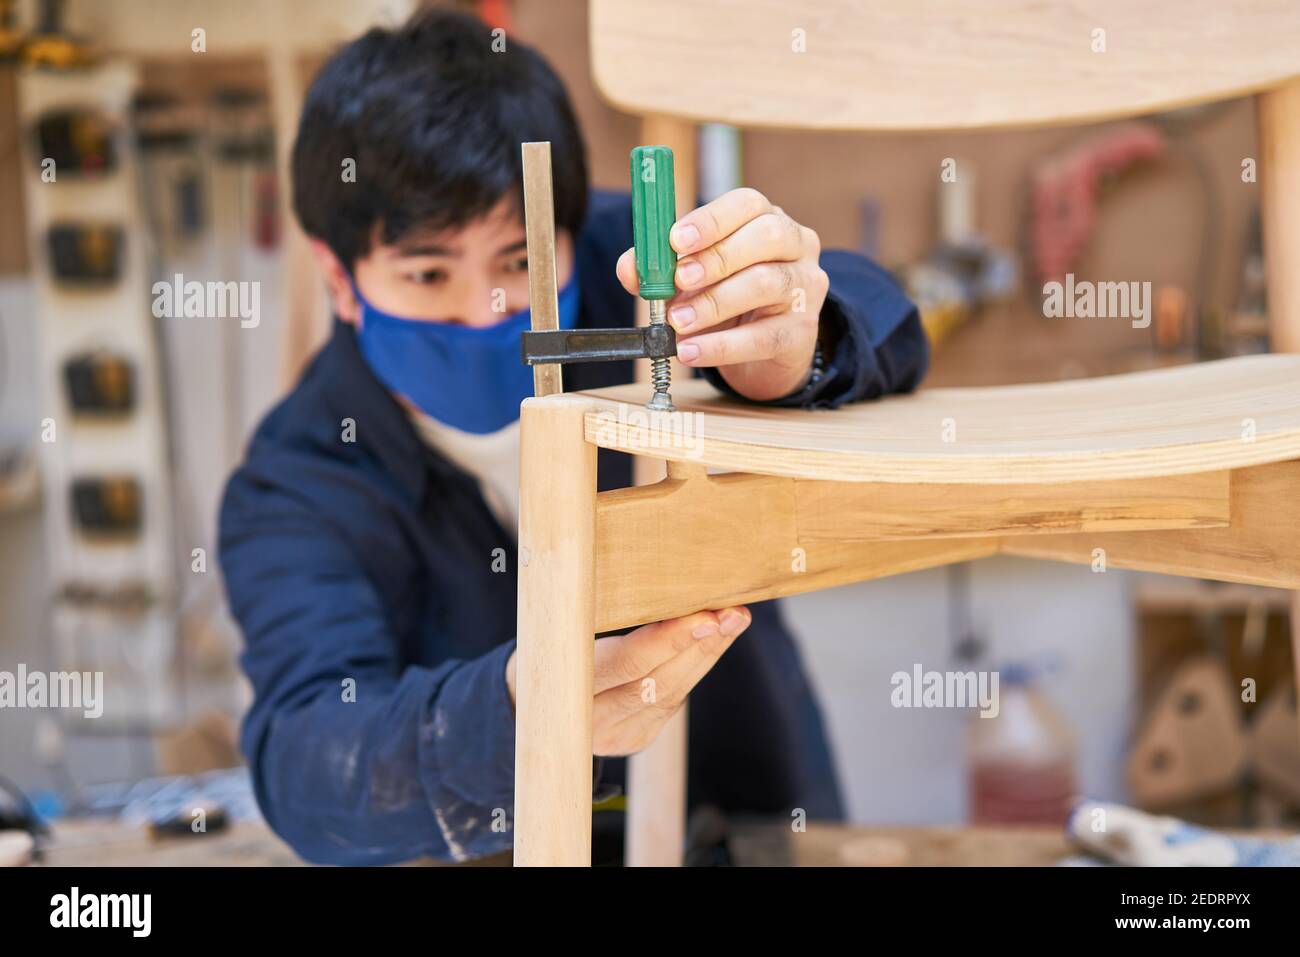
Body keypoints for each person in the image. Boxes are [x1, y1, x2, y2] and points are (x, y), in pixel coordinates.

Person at [219, 8, 928, 865]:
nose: (485, 308)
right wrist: (527, 707)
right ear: (339, 276)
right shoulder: (299, 478)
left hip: (747, 812)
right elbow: (310, 762)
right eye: (429, 272)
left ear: (565, 223)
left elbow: (883, 315)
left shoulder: (638, 269)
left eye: (520, 262)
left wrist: (795, 348)